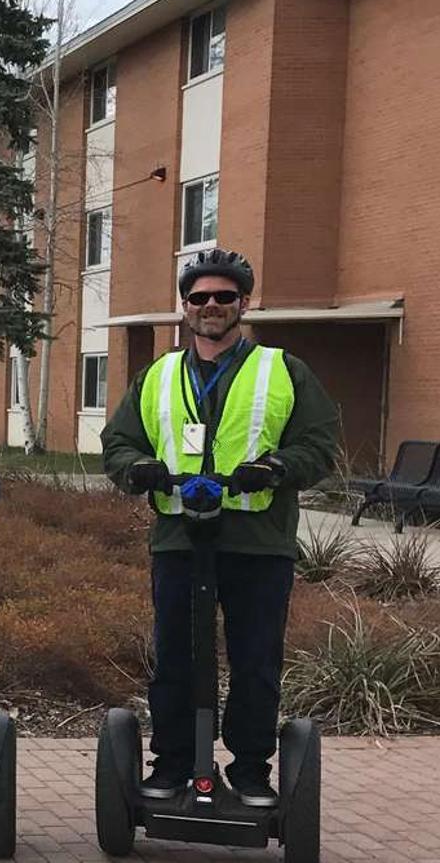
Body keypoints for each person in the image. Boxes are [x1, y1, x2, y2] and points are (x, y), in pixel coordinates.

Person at [100, 248, 337, 808]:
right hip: (180, 539)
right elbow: (120, 441)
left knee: (255, 659)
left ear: (243, 304)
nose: (210, 306)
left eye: (223, 297)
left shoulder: (283, 370)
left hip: (257, 542)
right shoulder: (157, 374)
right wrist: (137, 470)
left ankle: (251, 769)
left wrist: (279, 468)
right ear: (184, 307)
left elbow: (319, 443)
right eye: (199, 297)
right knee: (176, 656)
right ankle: (173, 764)